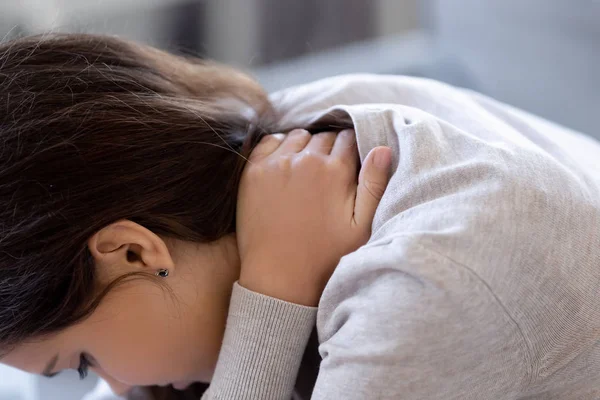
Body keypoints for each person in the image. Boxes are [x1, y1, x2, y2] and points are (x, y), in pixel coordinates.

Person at [1, 33, 599, 400]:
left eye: (82, 363)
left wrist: (275, 292)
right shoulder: (279, 137)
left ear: (134, 251)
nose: (117, 385)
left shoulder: (425, 285)